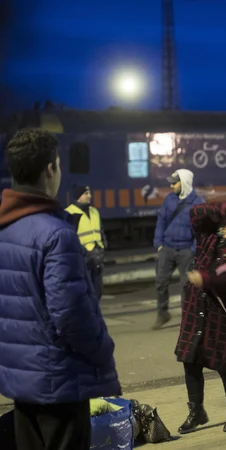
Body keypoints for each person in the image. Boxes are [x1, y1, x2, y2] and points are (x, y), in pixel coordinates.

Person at [0, 128, 120, 450]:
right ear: (50, 169)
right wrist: (102, 348)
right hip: (59, 380)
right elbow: (70, 315)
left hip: (20, 380)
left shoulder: (5, 228)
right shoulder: (56, 234)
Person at [176, 202, 226, 434]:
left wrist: (206, 280)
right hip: (196, 309)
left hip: (222, 315)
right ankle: (196, 411)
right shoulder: (207, 238)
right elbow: (195, 213)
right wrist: (225, 208)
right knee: (191, 361)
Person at [153, 169, 204, 329]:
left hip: (186, 250)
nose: (171, 185)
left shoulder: (198, 202)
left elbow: (201, 229)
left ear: (185, 182)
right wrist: (159, 244)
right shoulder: (169, 200)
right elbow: (161, 221)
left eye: (174, 182)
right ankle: (163, 314)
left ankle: (187, 319)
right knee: (160, 282)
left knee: (186, 286)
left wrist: (194, 249)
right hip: (167, 248)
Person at [65, 184, 107, 299]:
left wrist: (103, 246)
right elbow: (68, 239)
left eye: (90, 193)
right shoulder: (69, 213)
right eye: (86, 193)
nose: (90, 196)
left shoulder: (94, 212)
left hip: (97, 256)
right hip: (82, 258)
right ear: (79, 196)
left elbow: (100, 230)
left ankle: (94, 315)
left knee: (97, 291)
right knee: (84, 293)